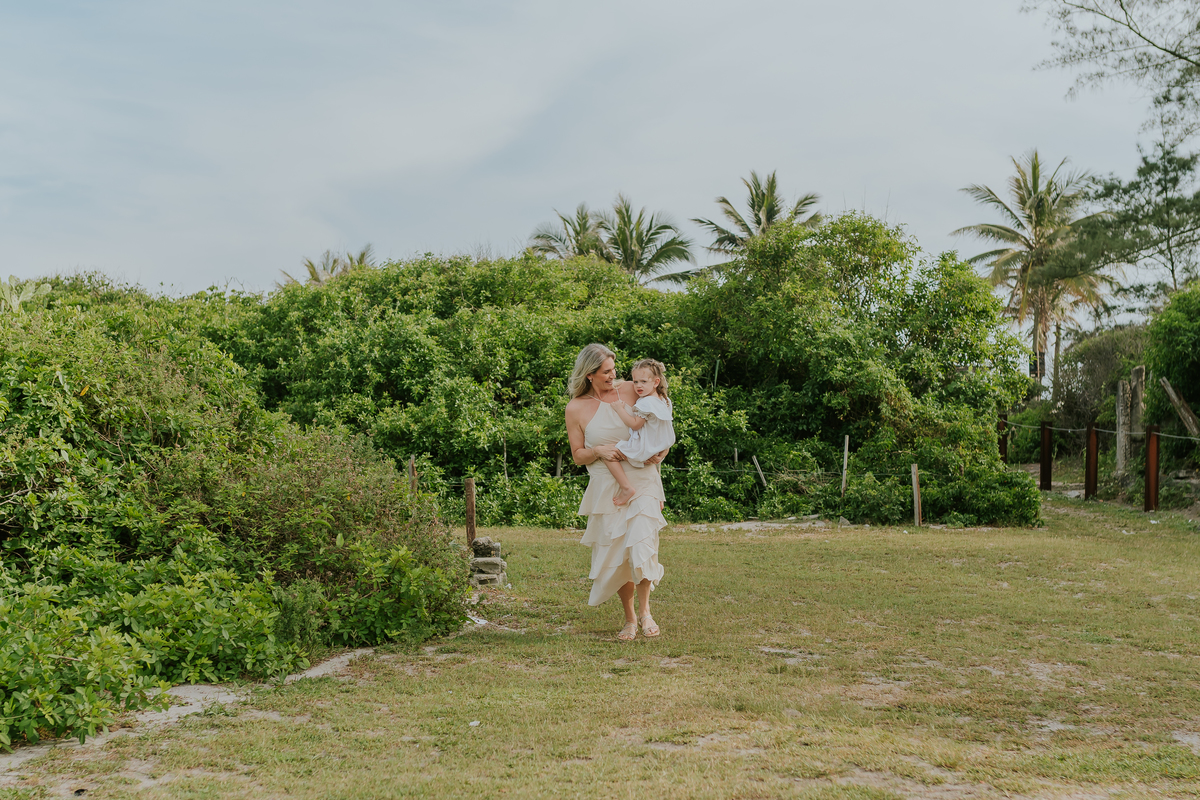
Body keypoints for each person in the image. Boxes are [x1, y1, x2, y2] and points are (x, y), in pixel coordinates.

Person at [564, 344, 669, 641]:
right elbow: (577, 455)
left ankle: (647, 611)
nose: (614, 375)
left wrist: (661, 451)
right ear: (589, 375)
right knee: (620, 553)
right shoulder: (576, 408)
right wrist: (596, 450)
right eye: (607, 372)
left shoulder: (633, 389)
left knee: (642, 545)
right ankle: (630, 618)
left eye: (614, 369)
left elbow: (663, 415)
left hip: (643, 478)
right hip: (606, 485)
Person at [605, 359, 676, 508]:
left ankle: (626, 488)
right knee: (655, 468)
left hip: (645, 447)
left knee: (609, 454)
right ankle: (659, 498)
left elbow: (635, 425)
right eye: (635, 382)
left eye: (643, 381)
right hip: (658, 445)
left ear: (656, 382)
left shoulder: (645, 403)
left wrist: (619, 409)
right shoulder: (664, 400)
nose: (638, 386)